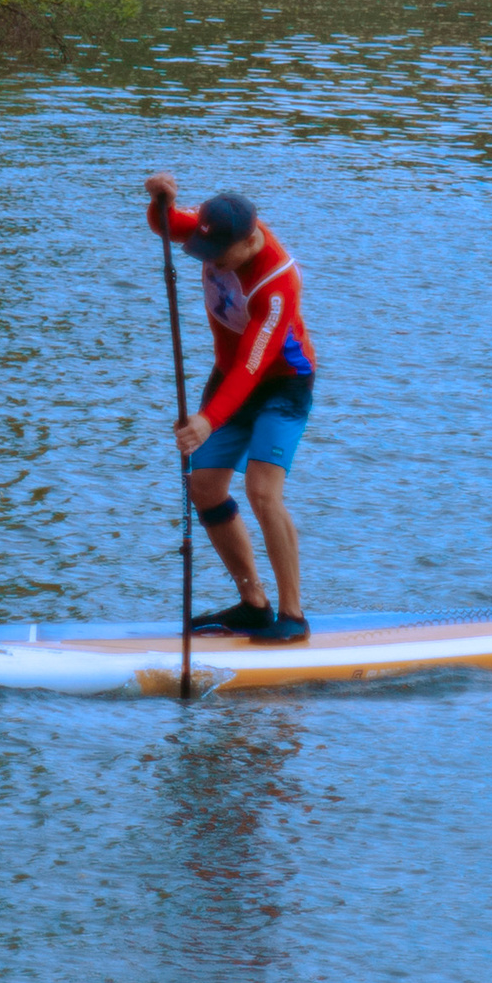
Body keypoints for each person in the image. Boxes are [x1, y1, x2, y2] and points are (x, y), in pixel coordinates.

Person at [143, 173, 315, 643]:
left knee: (263, 492)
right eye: (205, 247)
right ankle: (253, 605)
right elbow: (165, 223)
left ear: (247, 241)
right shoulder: (214, 230)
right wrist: (162, 198)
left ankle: (293, 616)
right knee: (204, 487)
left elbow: (253, 364)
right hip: (229, 376)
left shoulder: (277, 282)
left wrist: (207, 419)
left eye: (219, 253)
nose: (210, 259)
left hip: (280, 385)